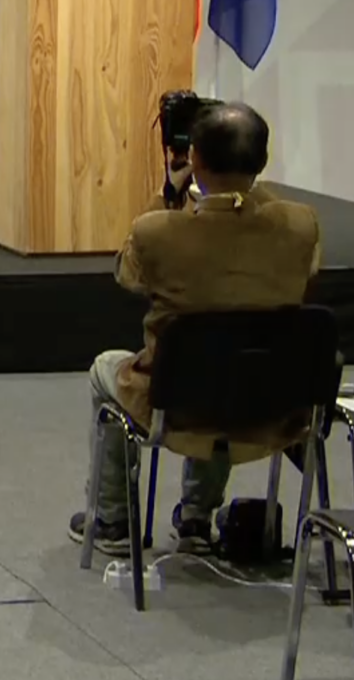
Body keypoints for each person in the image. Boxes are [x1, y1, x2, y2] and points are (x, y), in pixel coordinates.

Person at [68, 101, 322, 556]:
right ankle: (196, 517)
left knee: (106, 368)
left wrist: (172, 192)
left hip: (179, 409)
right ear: (262, 163)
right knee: (233, 359)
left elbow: (129, 276)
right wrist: (240, 197)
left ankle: (112, 520)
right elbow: (306, 270)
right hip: (269, 406)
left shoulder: (159, 231)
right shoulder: (301, 226)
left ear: (196, 158)